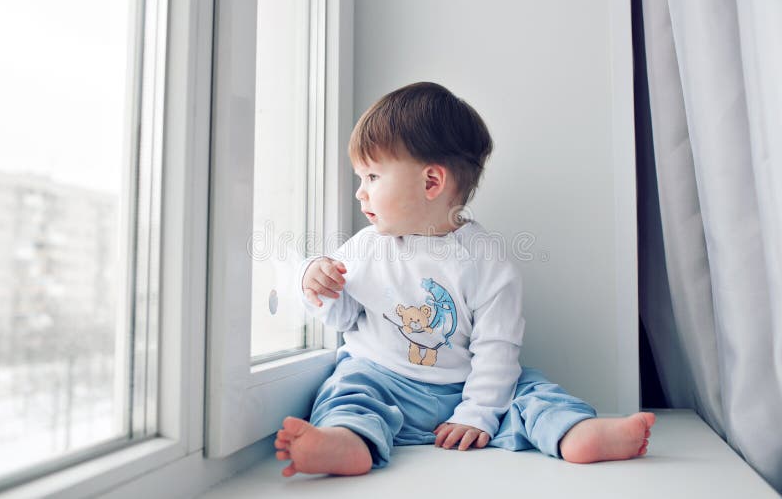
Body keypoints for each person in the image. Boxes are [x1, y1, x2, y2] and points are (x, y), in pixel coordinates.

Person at [275, 82, 655, 478]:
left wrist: (477, 413)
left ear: (430, 183)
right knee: (348, 391)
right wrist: (316, 281)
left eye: (372, 177)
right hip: (382, 382)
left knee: (530, 391)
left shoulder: (485, 261)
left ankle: (577, 432)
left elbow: (497, 348)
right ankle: (345, 442)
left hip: (465, 389)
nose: (360, 194)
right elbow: (343, 317)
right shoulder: (366, 247)